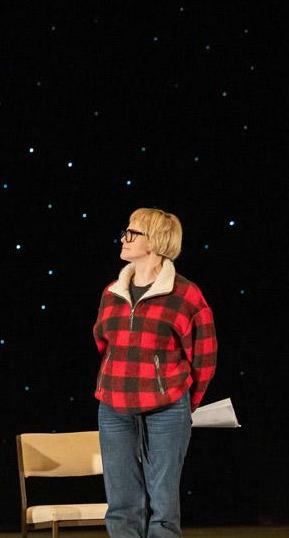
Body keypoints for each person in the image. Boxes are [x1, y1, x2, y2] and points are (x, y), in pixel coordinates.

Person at [92, 208, 218, 537]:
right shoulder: (111, 292)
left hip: (167, 407)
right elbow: (104, 342)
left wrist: (184, 401)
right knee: (121, 505)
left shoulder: (185, 295)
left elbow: (204, 355)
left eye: (132, 233)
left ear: (156, 241)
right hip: (114, 408)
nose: (124, 238)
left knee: (163, 507)